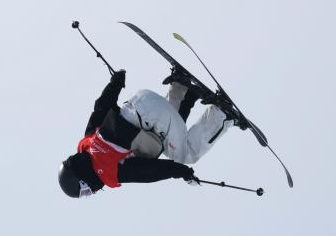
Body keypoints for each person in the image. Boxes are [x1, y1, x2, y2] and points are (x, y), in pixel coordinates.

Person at [58, 68, 234, 198]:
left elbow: (150, 172)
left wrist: (182, 172)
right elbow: (102, 106)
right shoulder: (89, 141)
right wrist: (116, 83)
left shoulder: (109, 171)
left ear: (83, 178)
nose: (93, 192)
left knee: (186, 155)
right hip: (140, 100)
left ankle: (222, 114)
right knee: (162, 141)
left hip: (155, 116)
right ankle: (181, 86)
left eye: (87, 191)